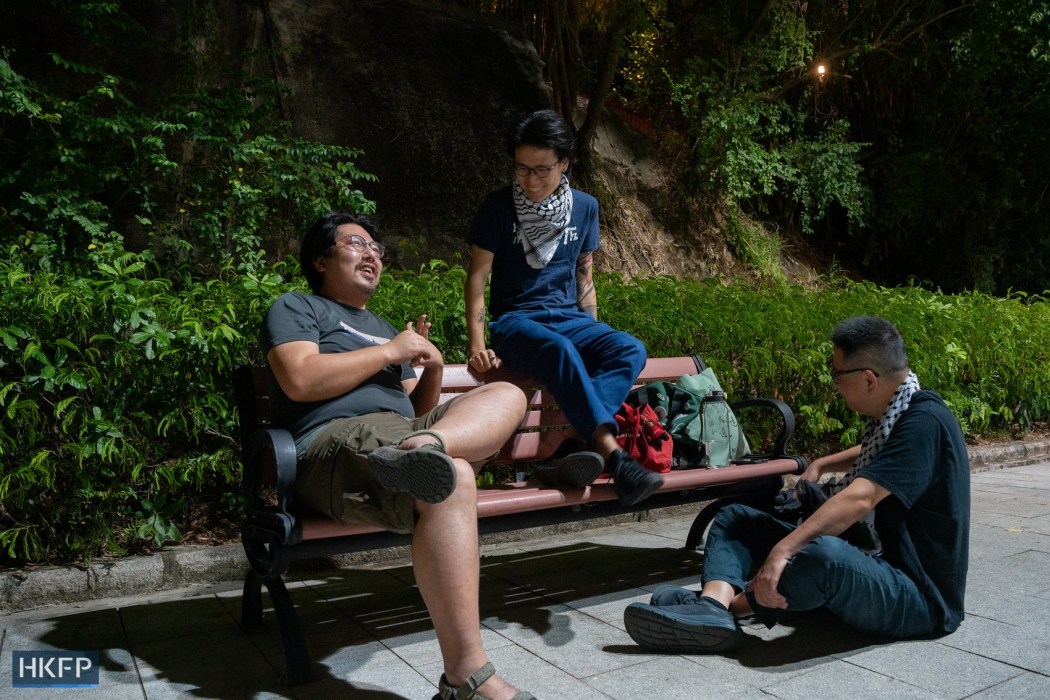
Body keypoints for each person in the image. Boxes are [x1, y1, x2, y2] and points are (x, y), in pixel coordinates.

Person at [262, 211, 535, 700]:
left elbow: (416, 410)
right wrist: (391, 352)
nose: (372, 254)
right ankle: (467, 678)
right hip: (333, 441)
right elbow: (300, 379)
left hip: (401, 437)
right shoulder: (298, 307)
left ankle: (429, 448)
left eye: (376, 248)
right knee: (453, 478)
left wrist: (431, 367)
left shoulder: (383, 326)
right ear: (320, 260)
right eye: (356, 243)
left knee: (508, 393)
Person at [624, 316, 970, 652]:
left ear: (868, 380)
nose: (834, 384)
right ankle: (712, 604)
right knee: (736, 518)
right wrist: (822, 463)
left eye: (838, 375)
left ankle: (732, 610)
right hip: (873, 561)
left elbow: (861, 498)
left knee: (823, 554)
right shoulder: (898, 412)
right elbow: (878, 450)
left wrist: (783, 551)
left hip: (917, 598)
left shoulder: (926, 421)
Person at [465, 108, 663, 506]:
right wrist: (477, 345)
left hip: (569, 319)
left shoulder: (585, 207)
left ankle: (574, 443)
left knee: (629, 348)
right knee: (560, 349)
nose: (531, 180)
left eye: (542, 169)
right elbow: (477, 278)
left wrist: (595, 335)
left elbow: (584, 276)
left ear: (564, 164)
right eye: (522, 169)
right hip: (516, 322)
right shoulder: (498, 207)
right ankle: (614, 456)